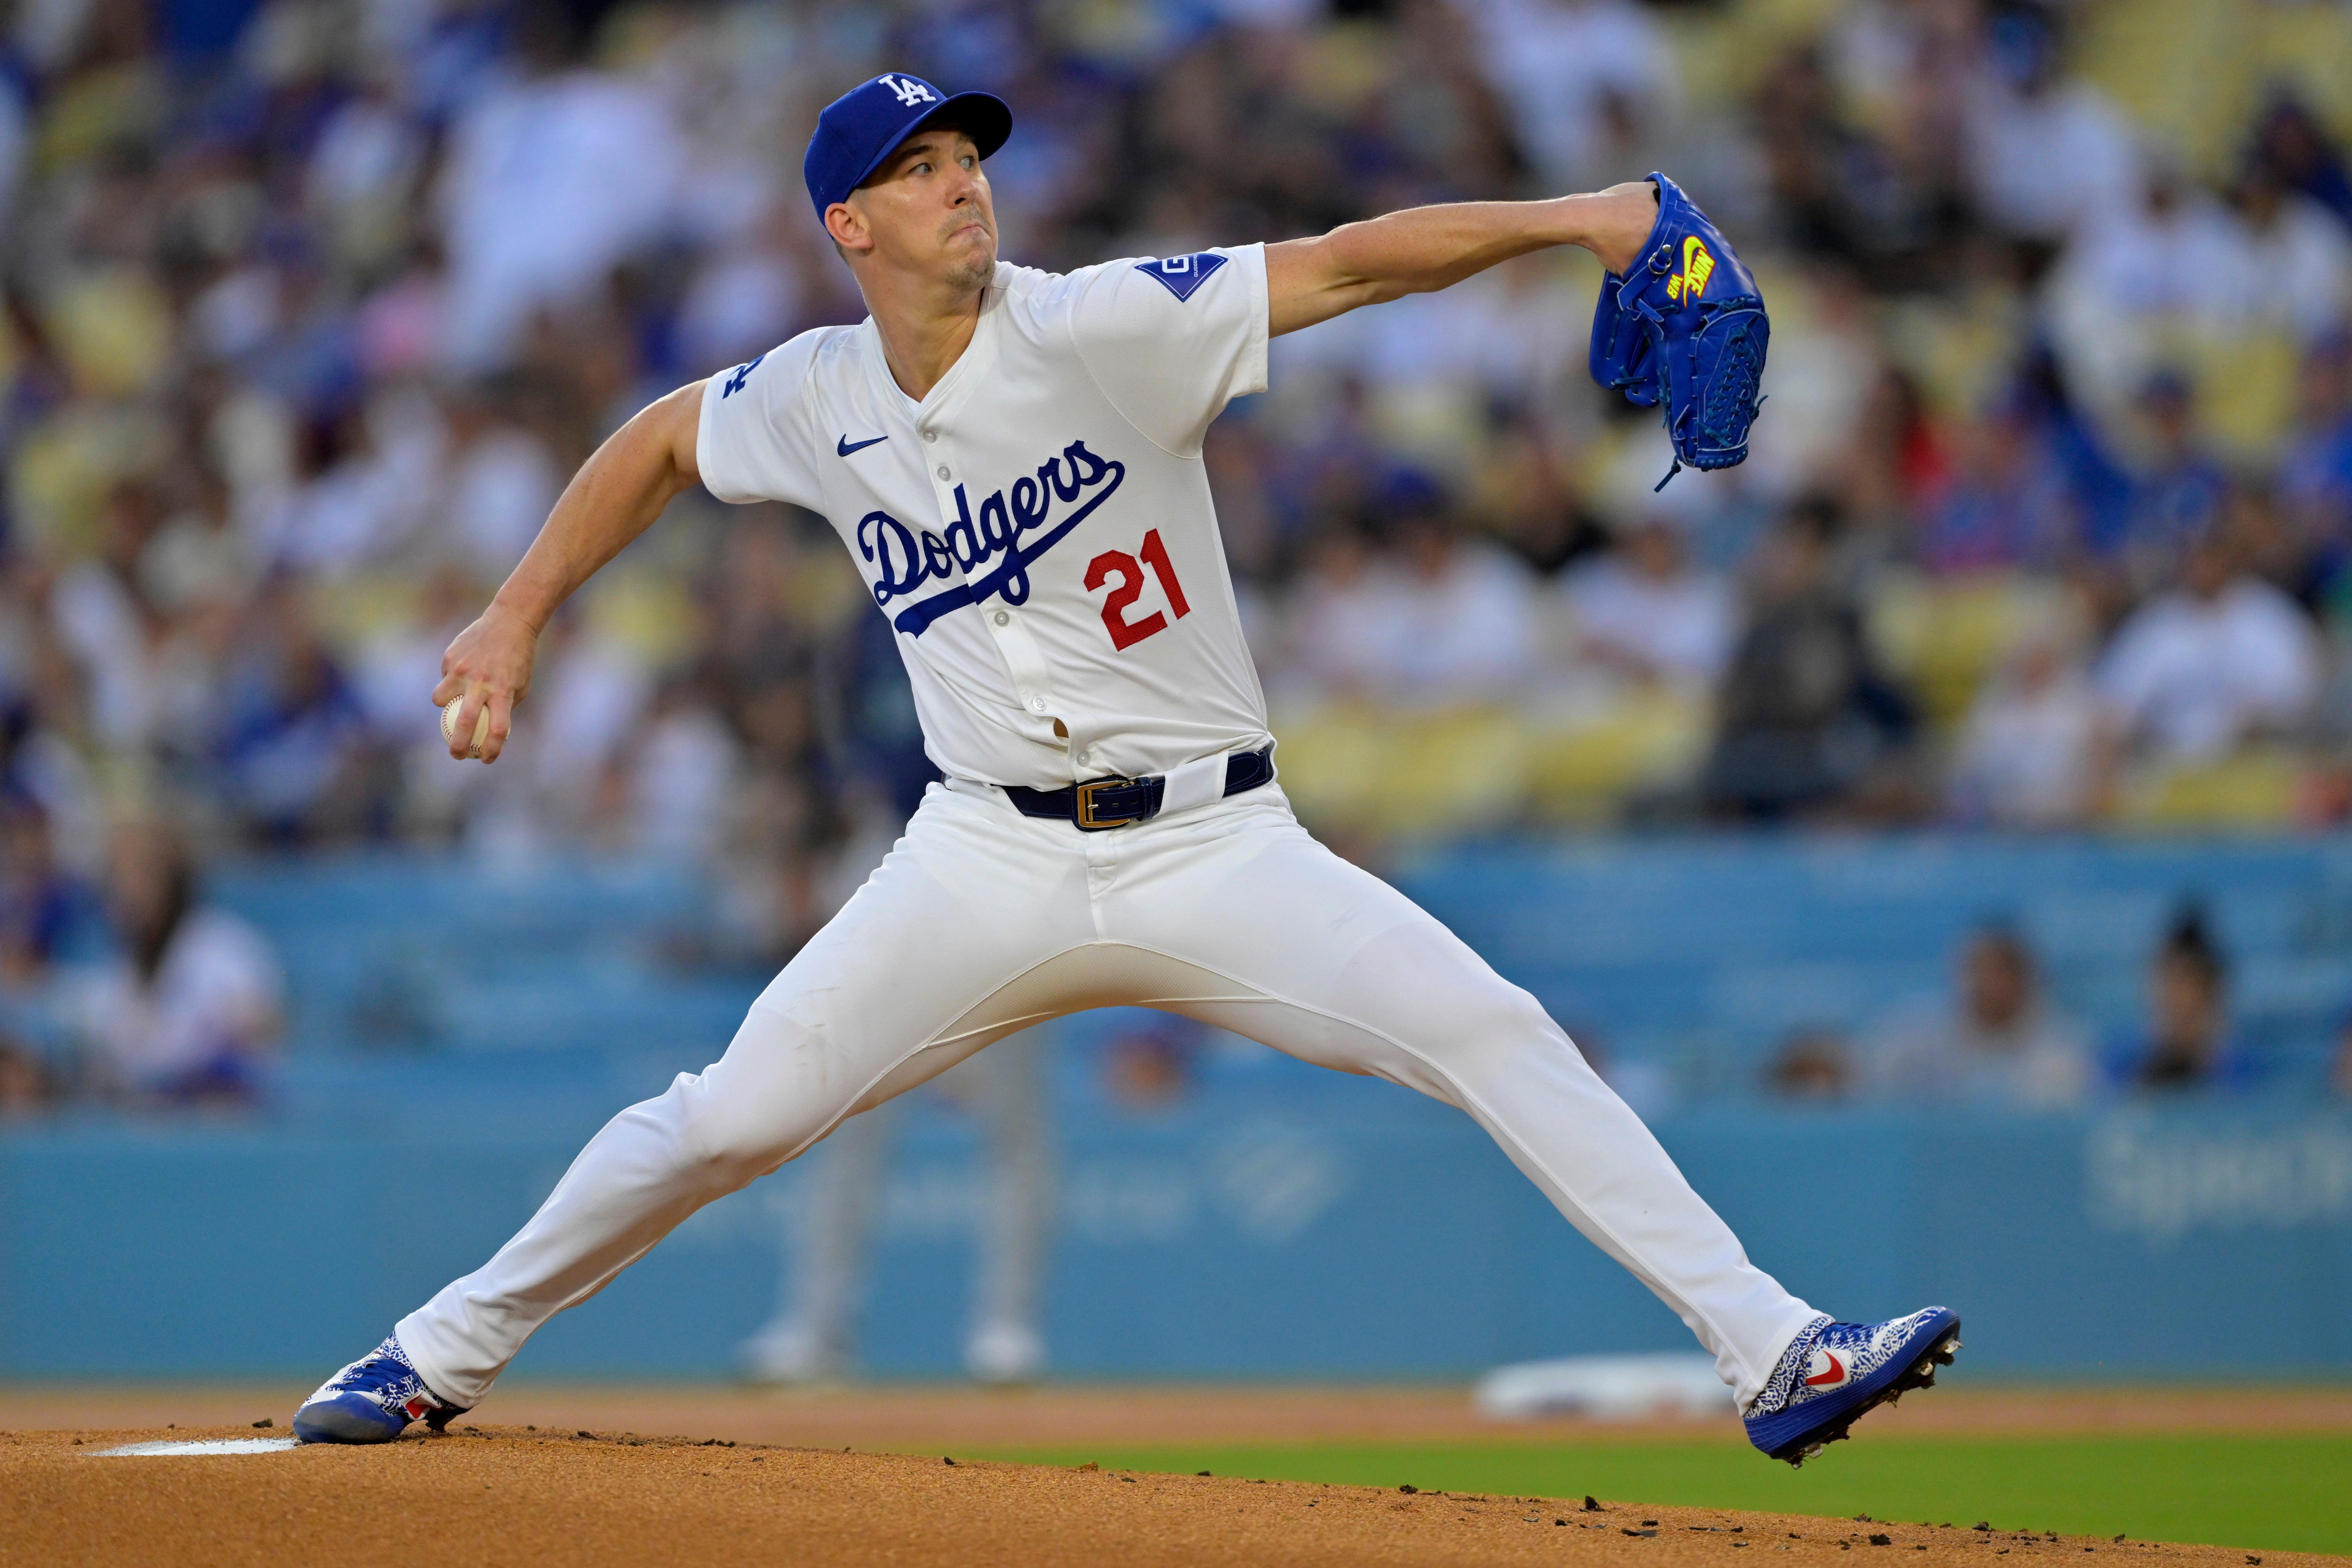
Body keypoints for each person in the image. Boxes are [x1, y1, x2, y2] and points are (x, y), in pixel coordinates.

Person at [293, 73, 1958, 1466]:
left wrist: (1591, 217)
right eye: (918, 171)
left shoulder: (1100, 326)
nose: (963, 189)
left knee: (1493, 1028)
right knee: (726, 1115)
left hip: (1214, 845)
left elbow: (1350, 264)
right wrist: (513, 612)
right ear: (846, 229)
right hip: (981, 858)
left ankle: (1775, 1351)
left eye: (967, 160)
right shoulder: (811, 393)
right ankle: (434, 1351)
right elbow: (657, 437)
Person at [1867, 925, 2092, 1110]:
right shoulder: (1916, 1036)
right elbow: (1871, 1087)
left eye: (2000, 973)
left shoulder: (2060, 1051)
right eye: (1979, 972)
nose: (1988, 984)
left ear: (2024, 980)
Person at [2107, 904, 2247, 1092]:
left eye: (2192, 990)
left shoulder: (2237, 1074)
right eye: (2172, 991)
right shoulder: (2121, 1067)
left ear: (2213, 994)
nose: (2179, 1003)